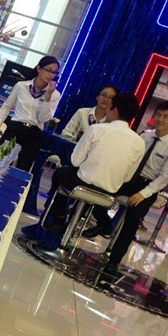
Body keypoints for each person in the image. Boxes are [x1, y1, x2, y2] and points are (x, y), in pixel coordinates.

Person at [83, 101, 168, 272]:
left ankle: (114, 260)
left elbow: (163, 178)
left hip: (148, 186)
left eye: (166, 117)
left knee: (133, 218)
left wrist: (142, 194)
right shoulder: (144, 137)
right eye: (158, 114)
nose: (160, 119)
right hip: (129, 179)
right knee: (99, 189)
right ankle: (104, 224)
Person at [42, 93, 145, 233]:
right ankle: (74, 224)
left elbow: (75, 161)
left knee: (61, 173)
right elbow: (127, 178)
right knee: (84, 182)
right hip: (109, 192)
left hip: (82, 184)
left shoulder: (97, 129)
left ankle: (58, 219)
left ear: (114, 110)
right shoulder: (139, 142)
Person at [0, 55, 61, 171]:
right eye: (48, 70)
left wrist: (48, 96)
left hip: (34, 133)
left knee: (23, 168)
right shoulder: (21, 86)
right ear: (39, 68)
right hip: (15, 128)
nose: (51, 75)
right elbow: (7, 106)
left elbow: (43, 119)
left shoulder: (55, 94)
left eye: (54, 72)